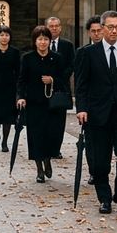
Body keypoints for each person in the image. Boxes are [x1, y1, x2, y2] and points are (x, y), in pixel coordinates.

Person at [73, 10, 117, 213]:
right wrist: (81, 109)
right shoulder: (89, 53)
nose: (114, 31)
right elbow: (81, 84)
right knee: (101, 159)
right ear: (102, 28)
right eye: (110, 27)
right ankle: (104, 198)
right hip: (97, 113)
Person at [16, 26, 67, 182]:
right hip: (34, 104)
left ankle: (47, 159)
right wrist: (21, 97)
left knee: (51, 135)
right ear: (35, 41)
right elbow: (22, 80)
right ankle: (39, 169)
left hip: (52, 105)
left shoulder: (57, 58)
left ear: (49, 41)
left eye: (45, 39)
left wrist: (52, 80)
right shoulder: (27, 58)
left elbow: (64, 80)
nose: (43, 42)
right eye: (40, 39)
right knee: (36, 136)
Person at [46, 16, 75, 159]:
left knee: (59, 122)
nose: (54, 28)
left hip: (61, 88)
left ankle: (56, 149)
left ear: (60, 28)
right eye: (51, 26)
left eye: (56, 26)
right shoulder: (42, 43)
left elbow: (71, 65)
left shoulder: (67, 45)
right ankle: (46, 147)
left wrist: (58, 79)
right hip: (44, 88)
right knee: (46, 121)